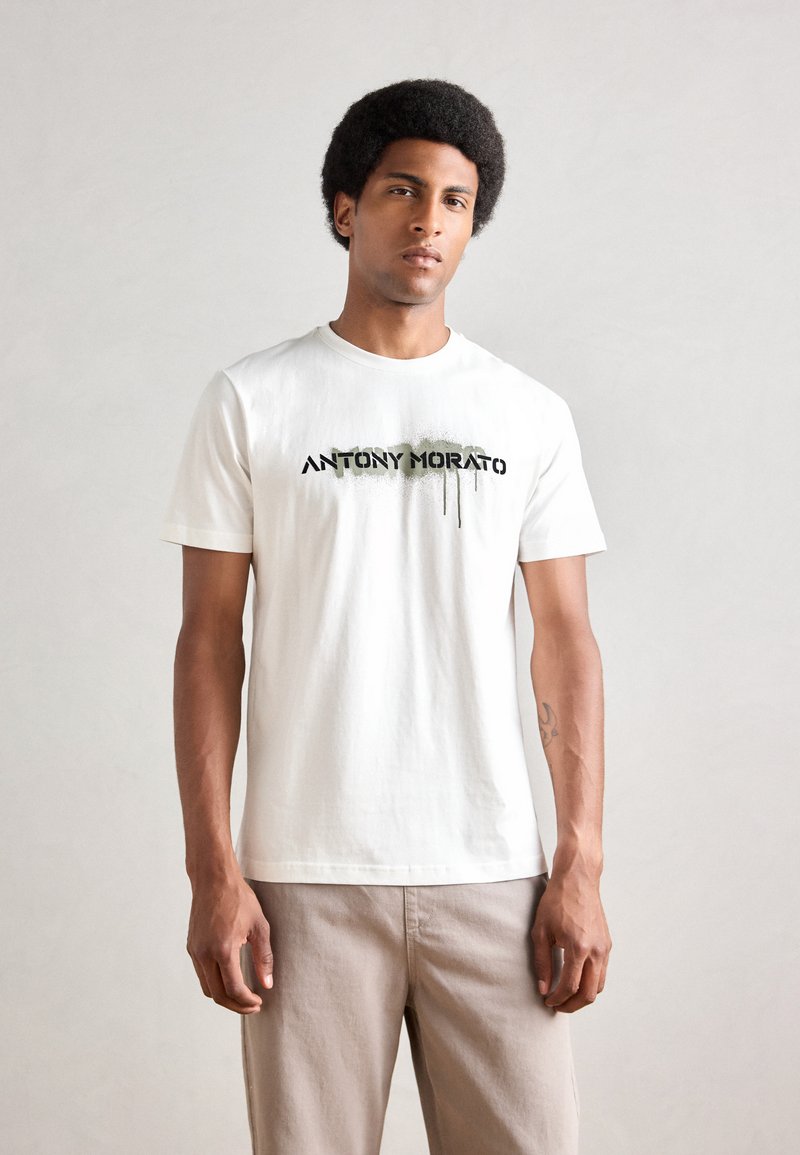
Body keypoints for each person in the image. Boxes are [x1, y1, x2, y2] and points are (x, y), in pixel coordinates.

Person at [160, 77, 612, 1155]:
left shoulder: (526, 414)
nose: (428, 222)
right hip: (303, 880)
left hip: (492, 873)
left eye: (455, 201)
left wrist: (579, 865)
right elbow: (208, 643)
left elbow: (564, 645)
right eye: (402, 191)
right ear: (344, 208)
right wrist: (213, 871)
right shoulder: (252, 400)